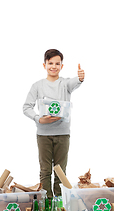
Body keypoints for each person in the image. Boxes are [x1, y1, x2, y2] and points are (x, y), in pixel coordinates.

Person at [23, 49, 85, 198]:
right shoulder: (37, 86)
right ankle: (46, 201)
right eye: (50, 63)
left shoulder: (65, 84)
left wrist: (80, 78)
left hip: (63, 134)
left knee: (60, 170)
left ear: (62, 66)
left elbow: (75, 82)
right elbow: (26, 107)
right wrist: (39, 119)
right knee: (45, 170)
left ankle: (58, 200)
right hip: (43, 135)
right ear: (44, 65)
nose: (54, 66)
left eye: (57, 63)